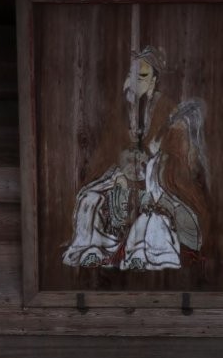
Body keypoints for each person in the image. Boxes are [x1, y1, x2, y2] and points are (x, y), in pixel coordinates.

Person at [62, 46, 210, 271]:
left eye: (142, 76)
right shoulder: (121, 109)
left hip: (157, 179)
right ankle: (94, 250)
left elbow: (180, 155)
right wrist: (120, 172)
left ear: (153, 81)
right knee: (89, 200)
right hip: (122, 174)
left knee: (153, 215)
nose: (136, 81)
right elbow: (108, 151)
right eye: (132, 75)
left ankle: (142, 253)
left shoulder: (167, 109)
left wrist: (156, 161)